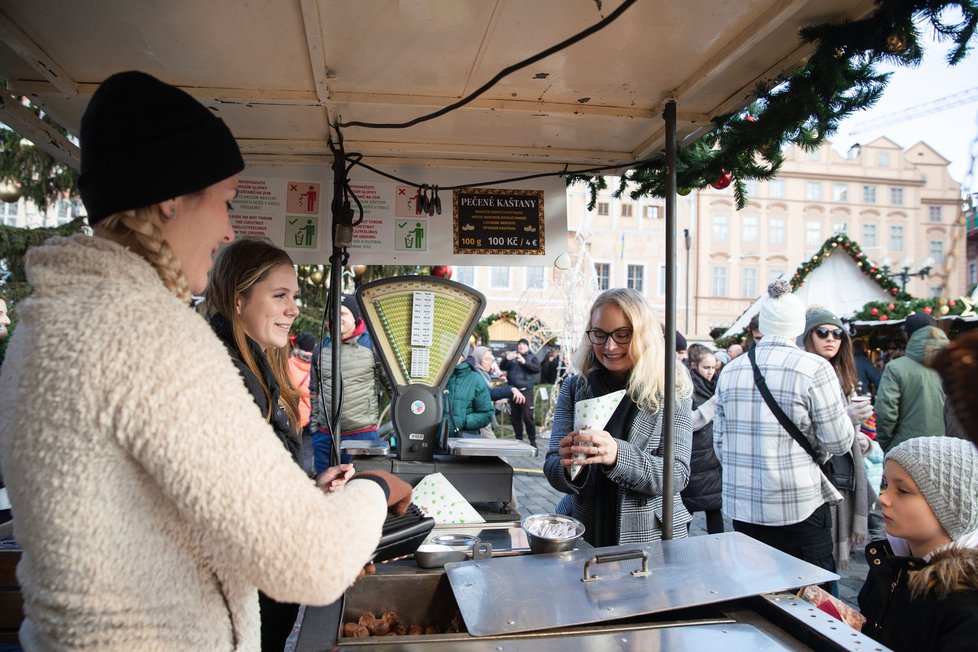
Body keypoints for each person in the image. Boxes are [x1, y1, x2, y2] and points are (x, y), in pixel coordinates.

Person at [0, 70, 411, 650]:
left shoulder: (47, 324)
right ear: (170, 198)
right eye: (223, 201)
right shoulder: (149, 334)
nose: (226, 229)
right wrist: (372, 488)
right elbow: (309, 560)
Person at [205, 239, 332, 650]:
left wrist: (310, 490)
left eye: (293, 296)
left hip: (260, 604)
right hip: (241, 607)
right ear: (238, 299)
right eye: (279, 296)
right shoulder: (230, 377)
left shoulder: (257, 368)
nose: (293, 308)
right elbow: (242, 513)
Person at [714, 280, 853, 579]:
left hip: (744, 506)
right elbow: (840, 442)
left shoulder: (730, 370)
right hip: (799, 503)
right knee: (808, 597)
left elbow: (720, 445)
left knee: (756, 594)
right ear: (798, 326)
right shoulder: (814, 368)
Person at [544, 288, 694, 546]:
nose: (610, 346)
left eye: (623, 335)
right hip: (585, 527)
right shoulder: (576, 386)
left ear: (643, 335)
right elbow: (552, 467)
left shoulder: (671, 388)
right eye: (599, 334)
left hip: (651, 535)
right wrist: (569, 468)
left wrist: (617, 455)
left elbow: (677, 474)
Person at [857, 436, 978, 650]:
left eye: (902, 491)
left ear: (951, 507)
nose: (883, 498)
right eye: (885, 484)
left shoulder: (965, 604)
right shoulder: (887, 563)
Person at [801, 308, 874, 573]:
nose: (830, 338)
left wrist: (860, 438)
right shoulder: (804, 373)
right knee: (820, 556)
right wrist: (847, 416)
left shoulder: (842, 374)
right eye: (822, 332)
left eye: (837, 333)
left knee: (829, 560)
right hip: (817, 474)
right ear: (808, 336)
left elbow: (845, 430)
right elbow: (806, 429)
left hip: (842, 470)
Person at [309, 294, 386, 471]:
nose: (337, 317)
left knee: (360, 488)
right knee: (324, 491)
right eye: (333, 312)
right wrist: (315, 428)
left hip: (362, 436)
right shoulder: (320, 348)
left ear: (355, 317)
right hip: (325, 437)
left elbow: (394, 390)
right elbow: (314, 389)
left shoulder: (372, 346)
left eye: (343, 313)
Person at [874, 312, 948, 452]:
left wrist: (886, 444)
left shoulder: (895, 368)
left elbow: (885, 413)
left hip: (906, 450)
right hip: (949, 449)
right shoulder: (957, 366)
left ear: (906, 335)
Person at [681, 343, 723, 534]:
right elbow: (685, 422)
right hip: (694, 458)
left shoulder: (715, 385)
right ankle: (678, 550)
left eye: (713, 367)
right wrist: (710, 406)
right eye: (706, 367)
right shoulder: (686, 387)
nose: (710, 372)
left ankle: (720, 550)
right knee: (687, 509)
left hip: (712, 458)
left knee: (714, 507)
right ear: (694, 366)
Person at [471, 345, 525, 438]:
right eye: (486, 359)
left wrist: (497, 404)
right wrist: (511, 390)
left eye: (490, 359)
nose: (490, 362)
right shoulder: (476, 375)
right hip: (479, 422)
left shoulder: (483, 374)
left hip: (483, 420)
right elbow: (488, 393)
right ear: (478, 359)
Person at [443, 347, 494, 437]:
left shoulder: (475, 379)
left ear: (463, 356)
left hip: (460, 441)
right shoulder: (436, 378)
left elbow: (487, 414)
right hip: (432, 441)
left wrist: (464, 421)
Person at [499, 338, 541, 447]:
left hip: (526, 391)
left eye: (523, 344)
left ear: (527, 346)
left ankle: (532, 440)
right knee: (515, 418)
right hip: (513, 392)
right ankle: (519, 440)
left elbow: (537, 369)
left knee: (528, 417)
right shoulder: (512, 358)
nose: (521, 346)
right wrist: (506, 359)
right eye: (519, 345)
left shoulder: (531, 357)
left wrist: (525, 362)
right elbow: (502, 367)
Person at [288, 332, 317, 474]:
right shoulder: (317, 367)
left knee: (291, 450)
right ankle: (305, 480)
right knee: (307, 453)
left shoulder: (288, 364)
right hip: (311, 416)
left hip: (293, 415)